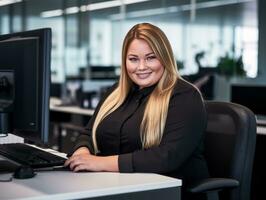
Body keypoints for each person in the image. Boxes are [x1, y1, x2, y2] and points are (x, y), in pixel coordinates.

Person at [65, 23, 209, 200]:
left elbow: (166, 157)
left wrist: (100, 163)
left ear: (165, 58)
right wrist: (82, 154)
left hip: (167, 192)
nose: (141, 67)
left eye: (150, 58)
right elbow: (88, 132)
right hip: (117, 187)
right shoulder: (116, 93)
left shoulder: (185, 96)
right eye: (133, 59)